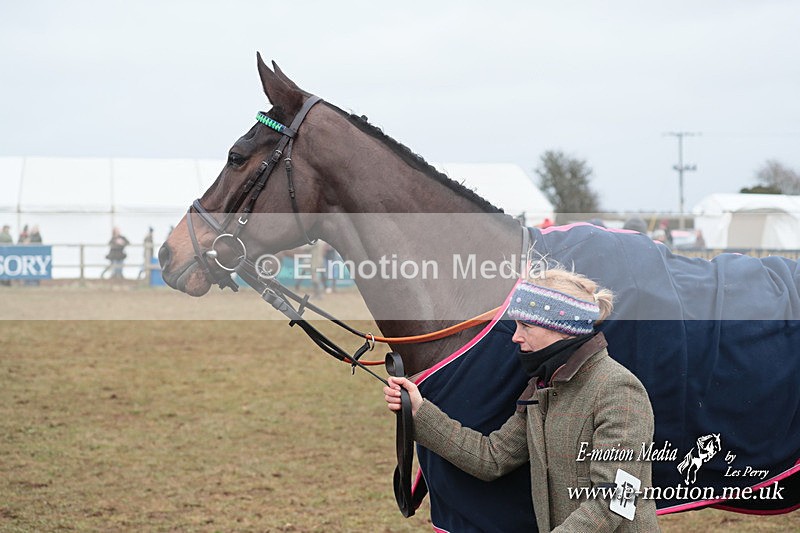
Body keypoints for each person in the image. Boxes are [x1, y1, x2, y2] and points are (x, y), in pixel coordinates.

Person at [384, 265, 659, 532]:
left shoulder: (618, 389)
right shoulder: (542, 388)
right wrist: (419, 411)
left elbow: (615, 499)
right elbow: (492, 458)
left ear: (562, 328)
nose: (515, 337)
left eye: (525, 325)